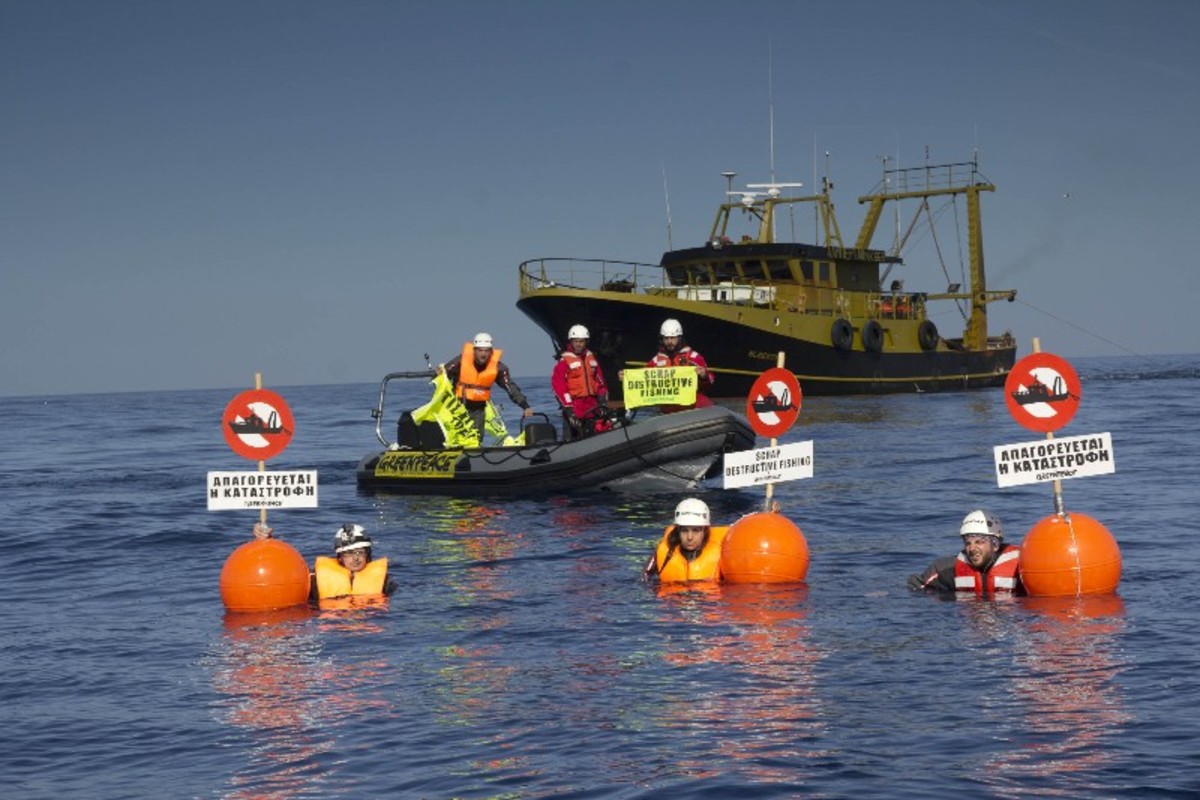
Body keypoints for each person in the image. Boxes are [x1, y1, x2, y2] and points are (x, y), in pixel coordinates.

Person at [439, 332, 534, 439]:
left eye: (486, 351)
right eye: (480, 350)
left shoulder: (499, 368)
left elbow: (510, 388)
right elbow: (442, 375)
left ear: (491, 352)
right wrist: (439, 373)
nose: (483, 354)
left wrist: (525, 406)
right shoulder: (460, 361)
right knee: (454, 437)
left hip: (478, 410)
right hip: (457, 408)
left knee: (476, 439)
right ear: (474, 350)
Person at [908, 510, 1023, 596]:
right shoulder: (947, 569)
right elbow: (917, 585)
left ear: (995, 544)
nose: (972, 548)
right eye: (968, 543)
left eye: (979, 542)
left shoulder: (1021, 566)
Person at [644, 498, 728, 582]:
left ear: (705, 530)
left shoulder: (722, 551)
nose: (689, 537)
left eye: (695, 530)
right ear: (678, 530)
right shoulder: (664, 553)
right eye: (684, 530)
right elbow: (645, 580)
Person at [311, 524, 397, 604]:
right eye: (349, 553)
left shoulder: (385, 583)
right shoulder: (316, 581)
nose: (355, 558)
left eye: (360, 552)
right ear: (340, 556)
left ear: (367, 555)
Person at [550, 324, 609, 439]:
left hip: (592, 407)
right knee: (571, 438)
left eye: (581, 341)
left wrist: (603, 402)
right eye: (576, 341)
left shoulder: (591, 359)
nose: (578, 344)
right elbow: (559, 387)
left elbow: (600, 383)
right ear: (571, 341)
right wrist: (569, 410)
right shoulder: (564, 362)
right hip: (575, 407)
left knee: (596, 434)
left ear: (586, 342)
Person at [644, 318, 714, 412]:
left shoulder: (693, 357)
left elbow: (710, 380)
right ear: (662, 339)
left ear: (679, 338)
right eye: (666, 338)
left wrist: (704, 375)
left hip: (693, 407)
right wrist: (627, 378)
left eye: (672, 338)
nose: (669, 342)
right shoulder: (655, 362)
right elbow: (642, 380)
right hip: (669, 410)